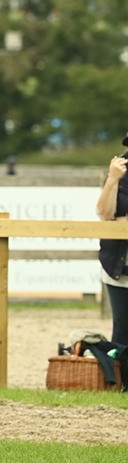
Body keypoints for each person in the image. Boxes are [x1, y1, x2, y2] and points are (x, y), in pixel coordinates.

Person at [95, 142, 128, 347]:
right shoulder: (119, 171)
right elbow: (105, 213)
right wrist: (113, 179)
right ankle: (121, 379)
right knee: (122, 330)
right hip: (119, 266)